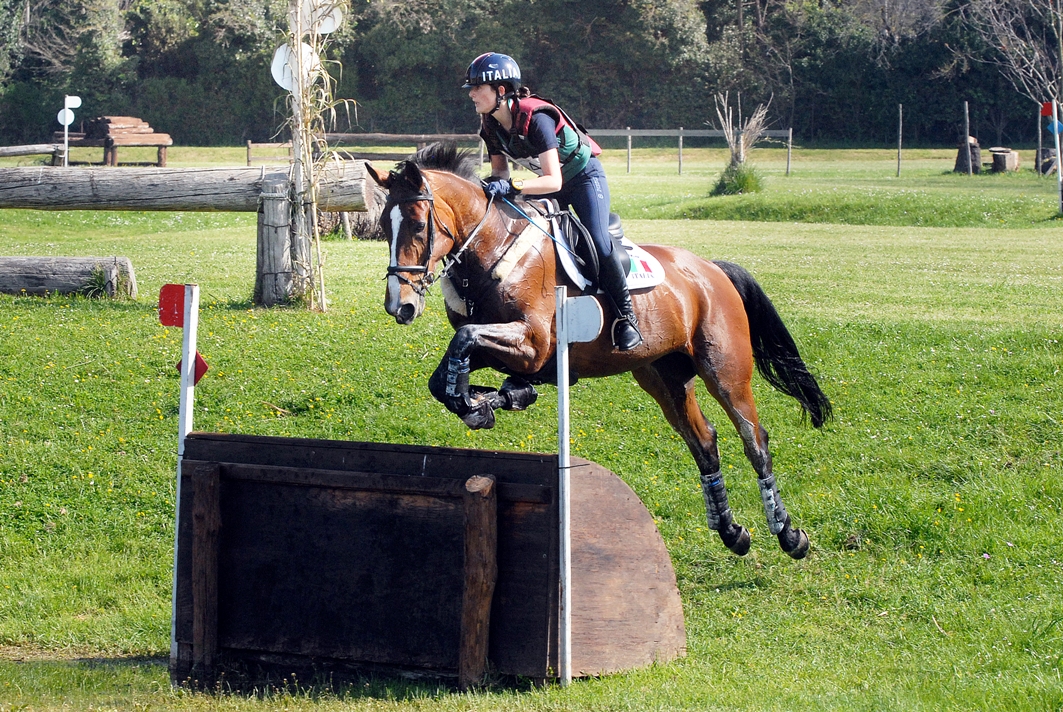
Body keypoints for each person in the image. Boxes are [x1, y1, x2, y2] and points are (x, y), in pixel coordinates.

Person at [462, 52, 643, 351]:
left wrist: (512, 185)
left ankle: (626, 316)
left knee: (596, 239)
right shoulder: (489, 125)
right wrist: (495, 185)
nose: (471, 93)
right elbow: (500, 173)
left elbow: (553, 181)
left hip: (582, 179)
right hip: (548, 184)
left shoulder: (537, 118)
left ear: (501, 90)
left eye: (478, 87)